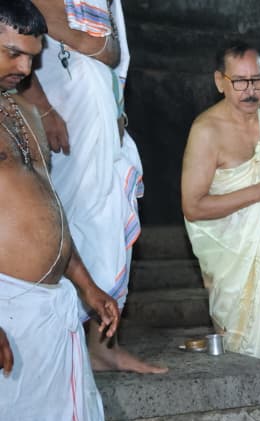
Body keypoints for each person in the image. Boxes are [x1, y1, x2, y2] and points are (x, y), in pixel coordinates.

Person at [0, 0, 121, 421]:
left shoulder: (20, 112)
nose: (25, 67)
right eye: (13, 53)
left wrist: (87, 285)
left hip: (49, 304)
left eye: (32, 57)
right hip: (3, 304)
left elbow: (51, 209)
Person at [25, 0, 161, 374]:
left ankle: (102, 347)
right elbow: (26, 40)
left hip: (100, 126)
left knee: (109, 222)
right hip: (64, 121)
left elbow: (111, 51)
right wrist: (46, 109)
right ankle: (56, 345)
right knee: (66, 226)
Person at [181, 42, 260, 372]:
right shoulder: (206, 131)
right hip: (236, 263)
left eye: (258, 80)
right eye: (240, 81)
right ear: (220, 81)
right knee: (245, 352)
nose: (250, 90)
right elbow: (193, 206)